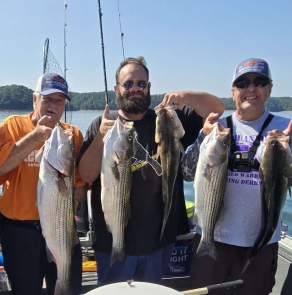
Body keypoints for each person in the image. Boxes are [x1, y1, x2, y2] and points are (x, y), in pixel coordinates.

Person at [78, 56, 225, 285]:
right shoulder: (102, 125)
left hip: (159, 243)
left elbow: (217, 109)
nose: (135, 89)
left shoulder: (166, 118)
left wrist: (184, 97)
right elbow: (86, 175)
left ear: (149, 87)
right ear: (117, 89)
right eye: (128, 84)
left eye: (141, 83)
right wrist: (100, 139)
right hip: (113, 242)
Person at [181, 58, 291, 295]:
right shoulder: (218, 127)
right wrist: (202, 136)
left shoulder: (285, 129)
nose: (251, 89)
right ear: (233, 91)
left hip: (261, 243)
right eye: (243, 83)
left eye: (259, 82)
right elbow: (187, 173)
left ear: (270, 88)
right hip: (213, 238)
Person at [0, 72, 87, 295]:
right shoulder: (11, 126)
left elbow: (80, 183)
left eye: (59, 100)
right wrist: (34, 138)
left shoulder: (72, 135)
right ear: (35, 99)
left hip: (61, 226)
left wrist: (72, 204)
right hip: (20, 232)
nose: (53, 105)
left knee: (68, 288)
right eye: (47, 99)